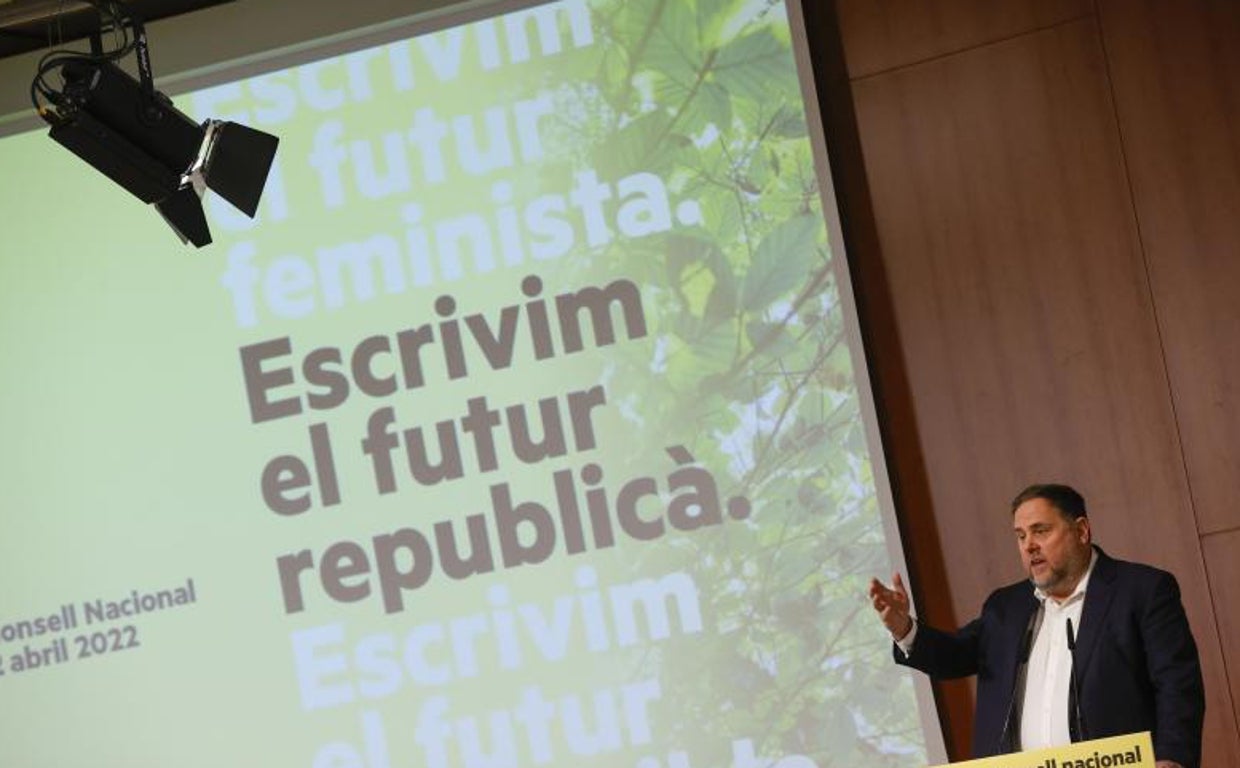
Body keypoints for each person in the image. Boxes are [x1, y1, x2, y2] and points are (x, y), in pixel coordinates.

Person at [869, 483, 1204, 768]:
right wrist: (904, 628)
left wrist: (1172, 757)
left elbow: (1177, 684)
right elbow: (953, 656)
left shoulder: (1141, 590)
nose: (1029, 545)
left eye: (1041, 531)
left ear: (1082, 530)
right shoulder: (1006, 607)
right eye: (1020, 536)